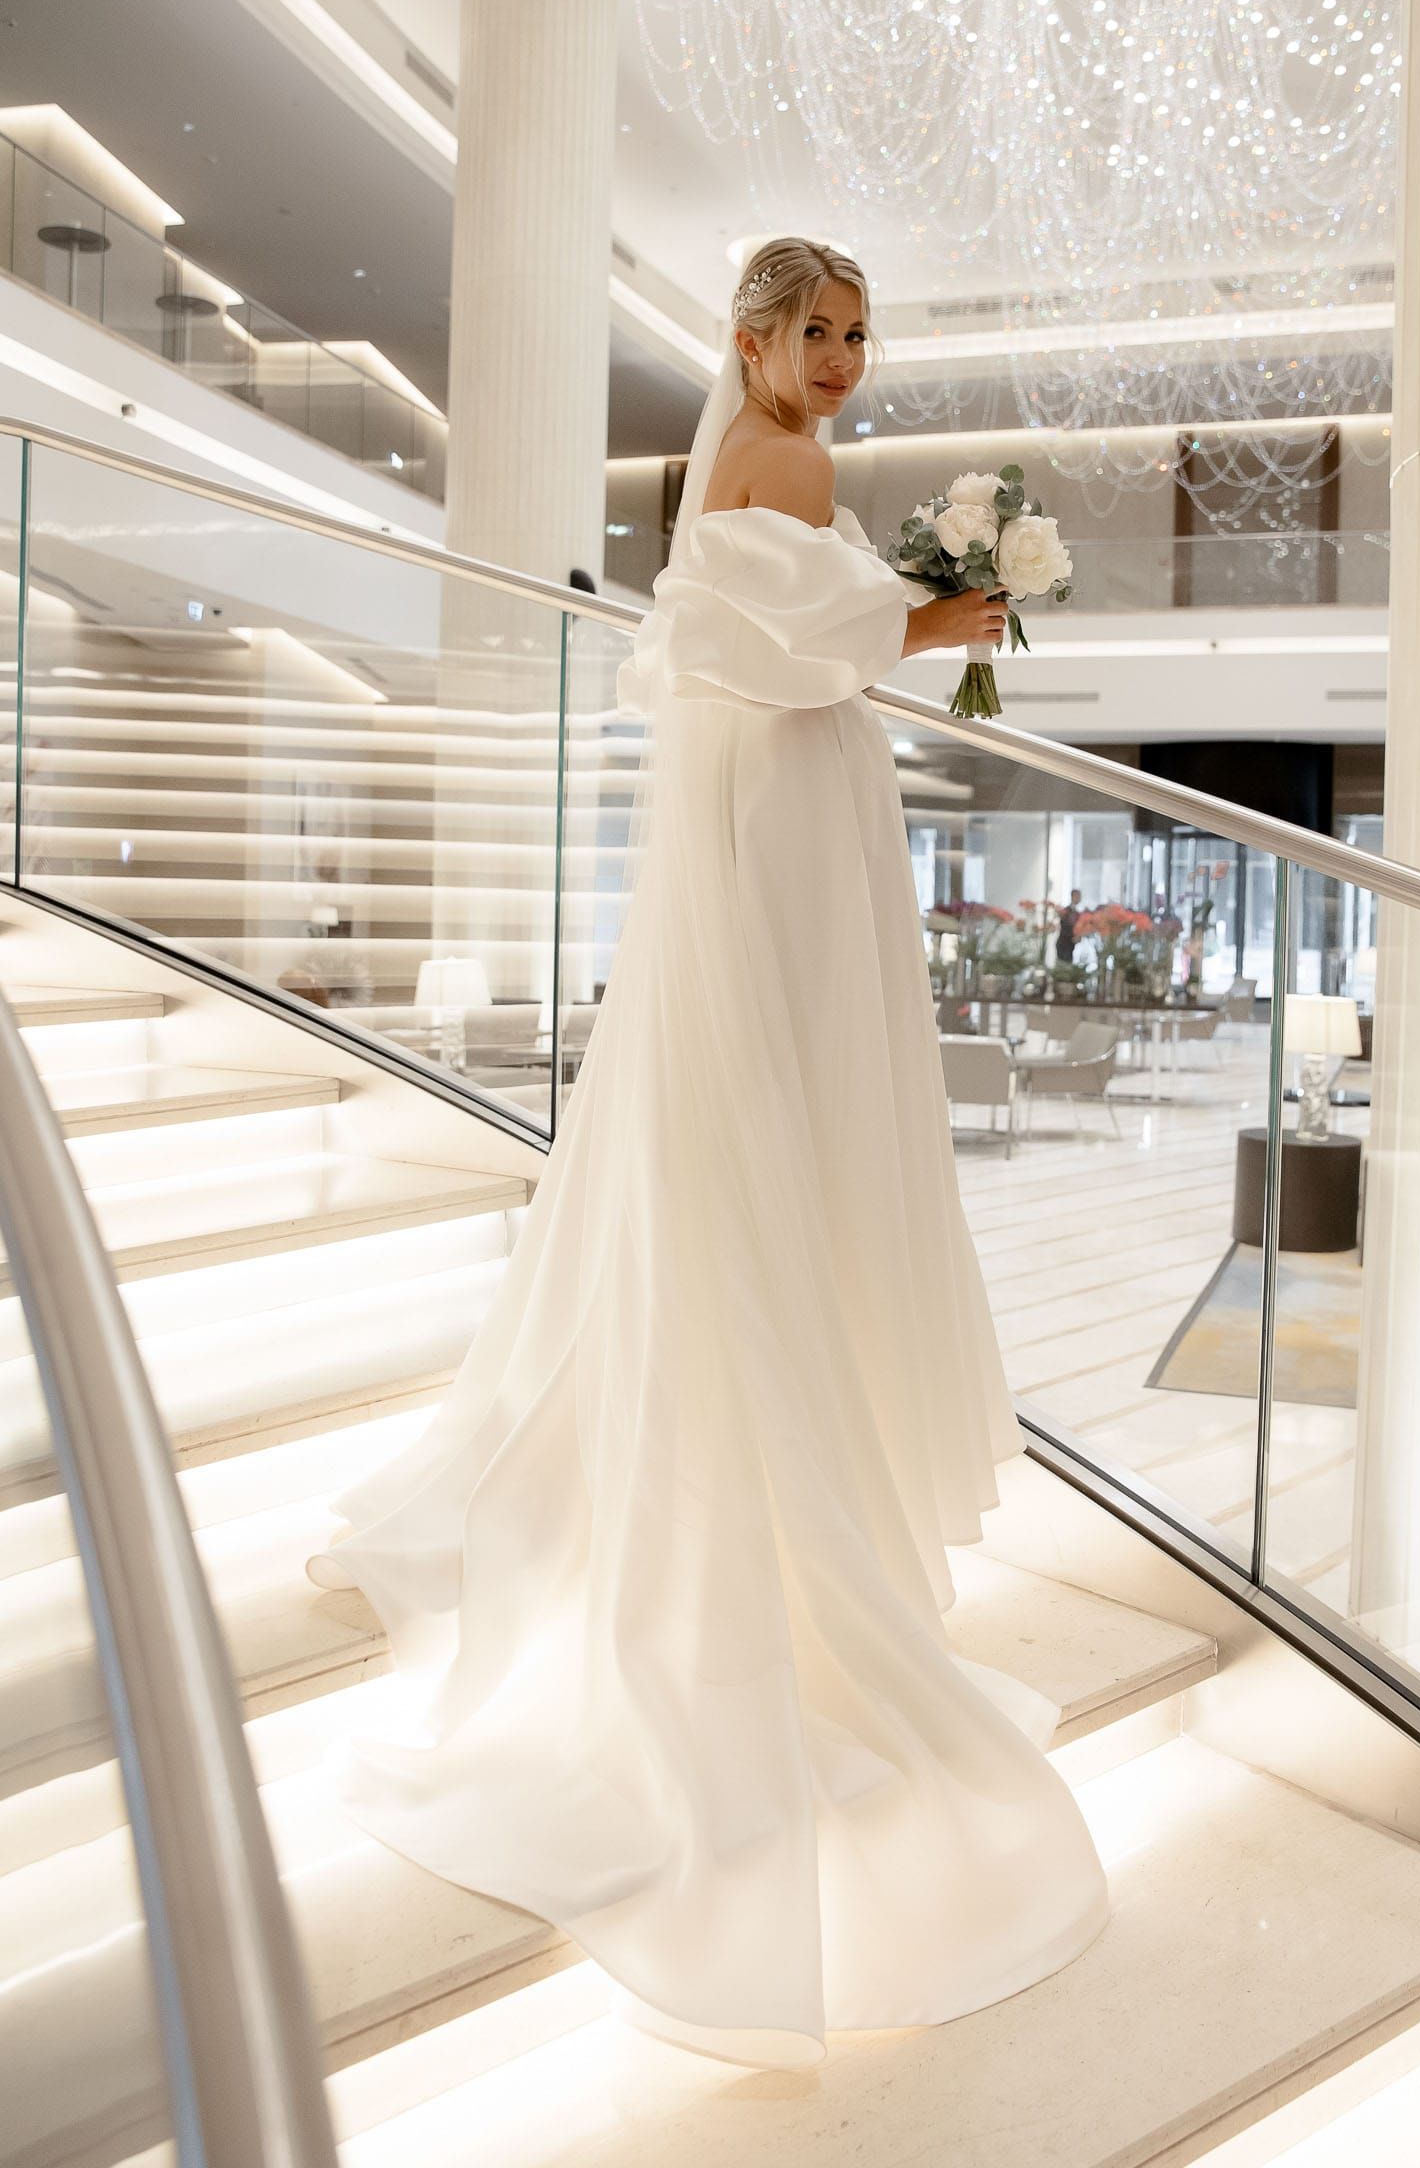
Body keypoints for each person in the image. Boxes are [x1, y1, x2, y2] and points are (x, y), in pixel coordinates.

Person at [306, 235, 1110, 2068]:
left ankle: (735, 1447)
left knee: (752, 1119)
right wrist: (936, 620)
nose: (834, 365)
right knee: (796, 1116)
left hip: (763, 800)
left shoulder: (728, 466)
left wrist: (909, 618)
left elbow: (721, 639)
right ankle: (777, 1496)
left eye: (849, 338)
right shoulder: (792, 466)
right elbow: (784, 640)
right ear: (747, 340)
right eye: (807, 334)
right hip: (792, 806)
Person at [1054, 886, 1084, 962]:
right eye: (1077, 896)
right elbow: (1064, 927)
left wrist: (1078, 936)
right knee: (1063, 966)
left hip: (1070, 945)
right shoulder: (1065, 911)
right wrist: (1073, 936)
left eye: (1079, 896)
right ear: (1072, 896)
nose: (1079, 898)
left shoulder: (1077, 913)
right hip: (1063, 944)